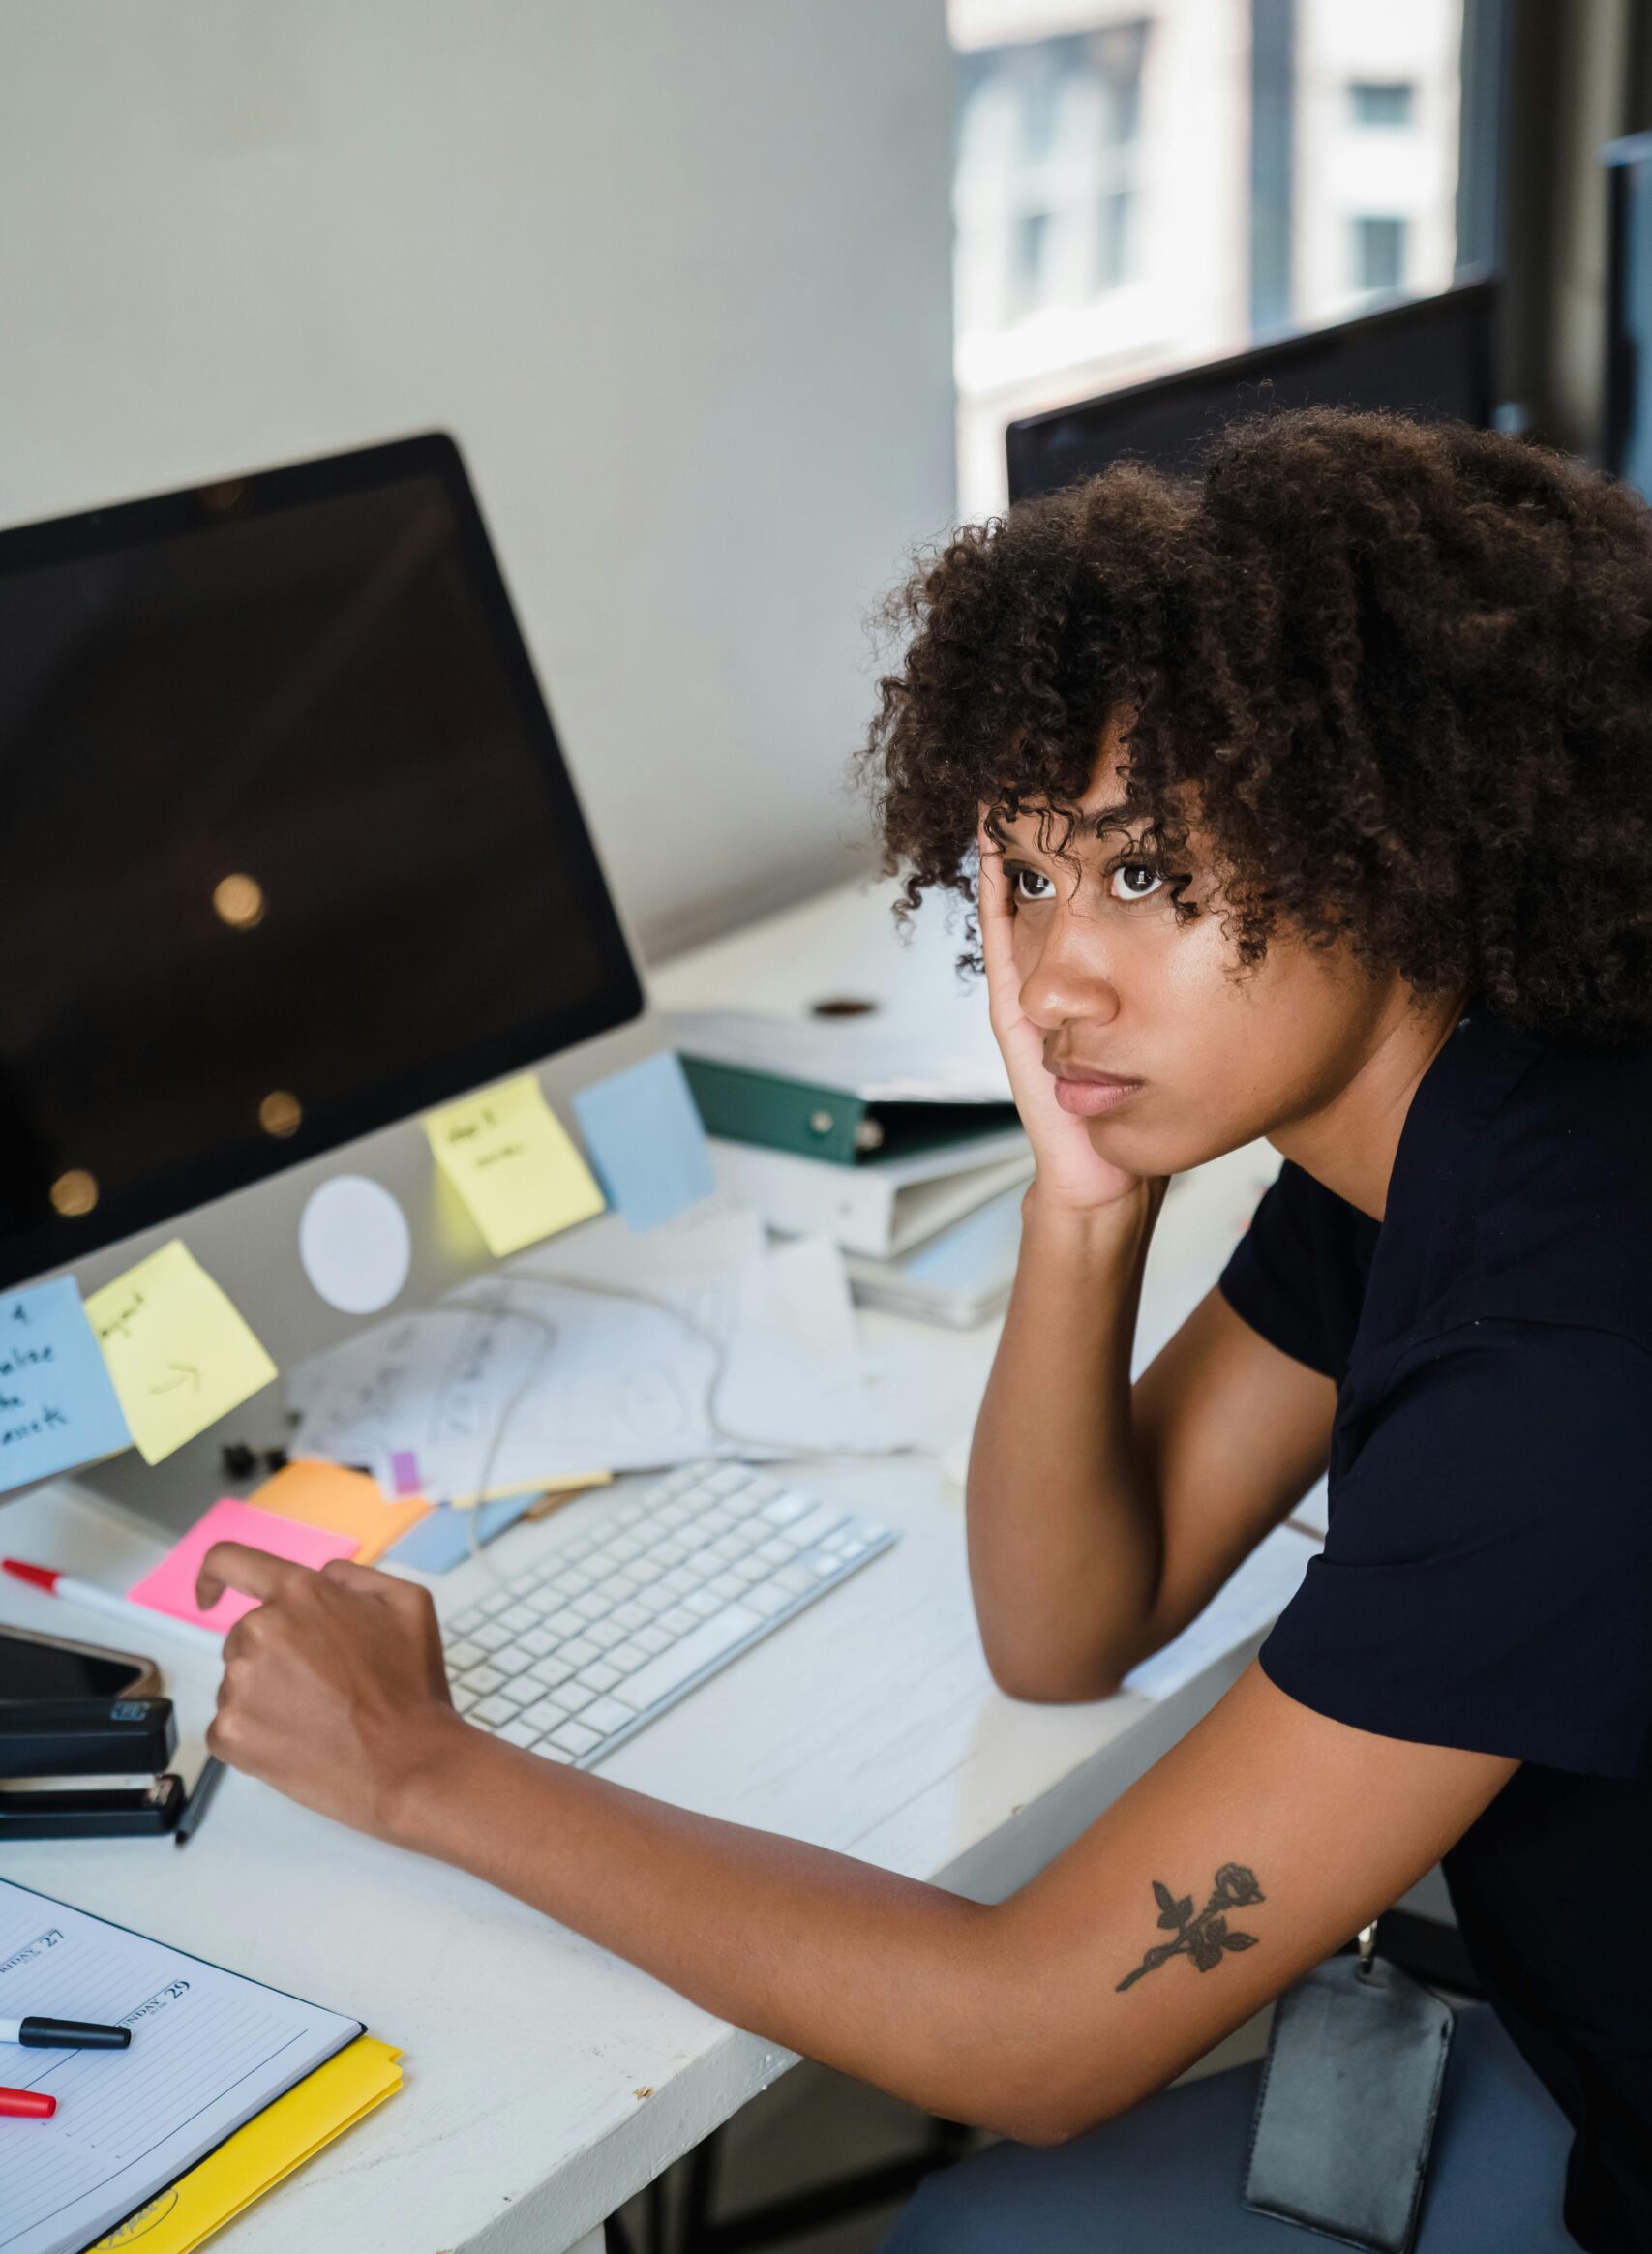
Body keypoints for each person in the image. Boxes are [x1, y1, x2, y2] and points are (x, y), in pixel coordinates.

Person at [196, 408, 1652, 2252]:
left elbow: (1031, 2036)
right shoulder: (1453, 1132)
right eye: (1023, 882)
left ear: (1385, 835)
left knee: (970, 2233)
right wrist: (1082, 1200)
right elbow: (1067, 1627)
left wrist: (426, 1765)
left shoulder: (1563, 1363)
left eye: (1139, 874)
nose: (1054, 980)